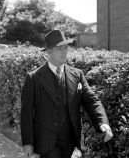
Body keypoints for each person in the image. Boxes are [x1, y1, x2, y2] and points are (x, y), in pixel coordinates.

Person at [20, 29, 113, 158]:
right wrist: (27, 142)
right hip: (48, 144)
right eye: (59, 48)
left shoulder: (77, 74)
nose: (64, 52)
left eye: (66, 48)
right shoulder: (33, 78)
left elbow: (92, 100)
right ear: (49, 51)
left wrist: (102, 122)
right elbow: (26, 113)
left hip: (72, 143)